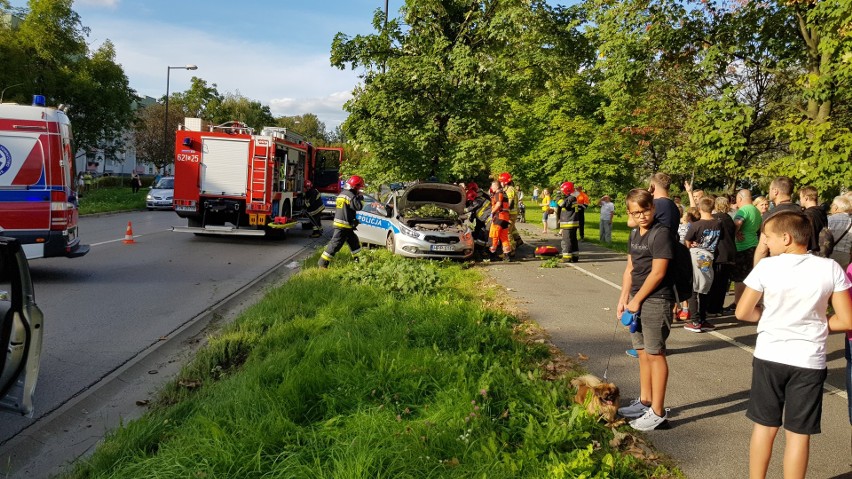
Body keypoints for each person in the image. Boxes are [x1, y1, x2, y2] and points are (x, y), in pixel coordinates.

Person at [735, 211, 852, 479]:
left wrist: (769, 317)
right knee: (799, 434)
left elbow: (743, 312)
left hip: (769, 355)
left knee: (764, 427)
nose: (765, 244)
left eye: (768, 239)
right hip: (808, 360)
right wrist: (816, 323)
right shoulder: (830, 268)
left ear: (786, 238)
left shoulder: (766, 267)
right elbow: (847, 319)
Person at [616, 188, 675, 431]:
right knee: (641, 352)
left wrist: (637, 300)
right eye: (636, 212)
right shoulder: (634, 235)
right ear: (629, 213)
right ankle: (645, 401)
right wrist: (623, 297)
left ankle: (658, 413)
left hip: (656, 299)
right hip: (636, 299)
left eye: (646, 210)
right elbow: (630, 268)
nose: (642, 216)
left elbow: (659, 272)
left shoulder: (661, 234)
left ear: (653, 207)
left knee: (655, 353)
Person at [682, 197, 721, 332]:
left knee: (694, 287)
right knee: (705, 287)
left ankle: (695, 320)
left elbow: (687, 240)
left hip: (697, 255)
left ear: (700, 209)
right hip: (709, 255)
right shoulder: (717, 224)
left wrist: (691, 245)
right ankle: (703, 318)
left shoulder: (696, 225)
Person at [726, 189, 763, 314]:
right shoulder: (756, 211)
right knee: (750, 276)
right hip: (753, 244)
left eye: (736, 199)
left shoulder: (743, 210)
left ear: (740, 198)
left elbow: (738, 222)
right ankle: (752, 303)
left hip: (742, 246)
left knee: (739, 277)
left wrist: (735, 232)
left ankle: (738, 303)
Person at [318, 175, 365, 268]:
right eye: (359, 187)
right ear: (355, 187)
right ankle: (322, 263)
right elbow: (358, 206)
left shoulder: (343, 194)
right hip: (343, 225)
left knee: (354, 242)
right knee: (335, 244)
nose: (359, 189)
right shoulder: (351, 196)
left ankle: (360, 261)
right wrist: (360, 198)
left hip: (344, 225)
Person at [754, 176, 801, 266]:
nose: (769, 192)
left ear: (775, 191)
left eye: (770, 189)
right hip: (800, 263)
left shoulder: (771, 215)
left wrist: (756, 272)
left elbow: (763, 249)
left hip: (778, 264)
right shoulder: (801, 211)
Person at [707, 196, 737, 316]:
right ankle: (718, 308)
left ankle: (711, 308)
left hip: (718, 253)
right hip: (730, 253)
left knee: (714, 282)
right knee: (723, 283)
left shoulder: (714, 219)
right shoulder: (729, 219)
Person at [556, 181, 580, 262]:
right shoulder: (572, 197)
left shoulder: (571, 198)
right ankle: (574, 256)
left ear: (567, 190)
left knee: (567, 240)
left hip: (569, 223)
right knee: (573, 239)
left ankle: (566, 257)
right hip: (572, 222)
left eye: (563, 191)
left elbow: (562, 204)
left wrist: (558, 196)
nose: (562, 192)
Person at [798, 185, 827, 255]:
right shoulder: (821, 212)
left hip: (812, 251)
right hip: (822, 250)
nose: (800, 200)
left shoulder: (808, 214)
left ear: (806, 198)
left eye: (800, 198)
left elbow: (809, 235)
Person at [489, 180, 512, 261]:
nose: (491, 187)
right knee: (504, 238)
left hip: (498, 217)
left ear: (496, 186)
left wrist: (491, 212)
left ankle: (492, 255)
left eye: (492, 186)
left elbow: (498, 204)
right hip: (505, 218)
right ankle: (507, 256)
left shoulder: (498, 194)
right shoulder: (505, 194)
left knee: (494, 236)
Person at [500, 172, 523, 251]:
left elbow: (510, 201)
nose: (500, 183)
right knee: (512, 229)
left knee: (507, 231)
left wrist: (505, 209)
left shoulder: (509, 189)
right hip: (512, 213)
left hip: (511, 213)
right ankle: (518, 240)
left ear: (505, 182)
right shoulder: (509, 188)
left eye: (501, 182)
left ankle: (511, 249)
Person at [827, 195, 852, 268]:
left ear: (835, 207)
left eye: (832, 205)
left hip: (831, 253)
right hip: (846, 255)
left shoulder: (830, 219)